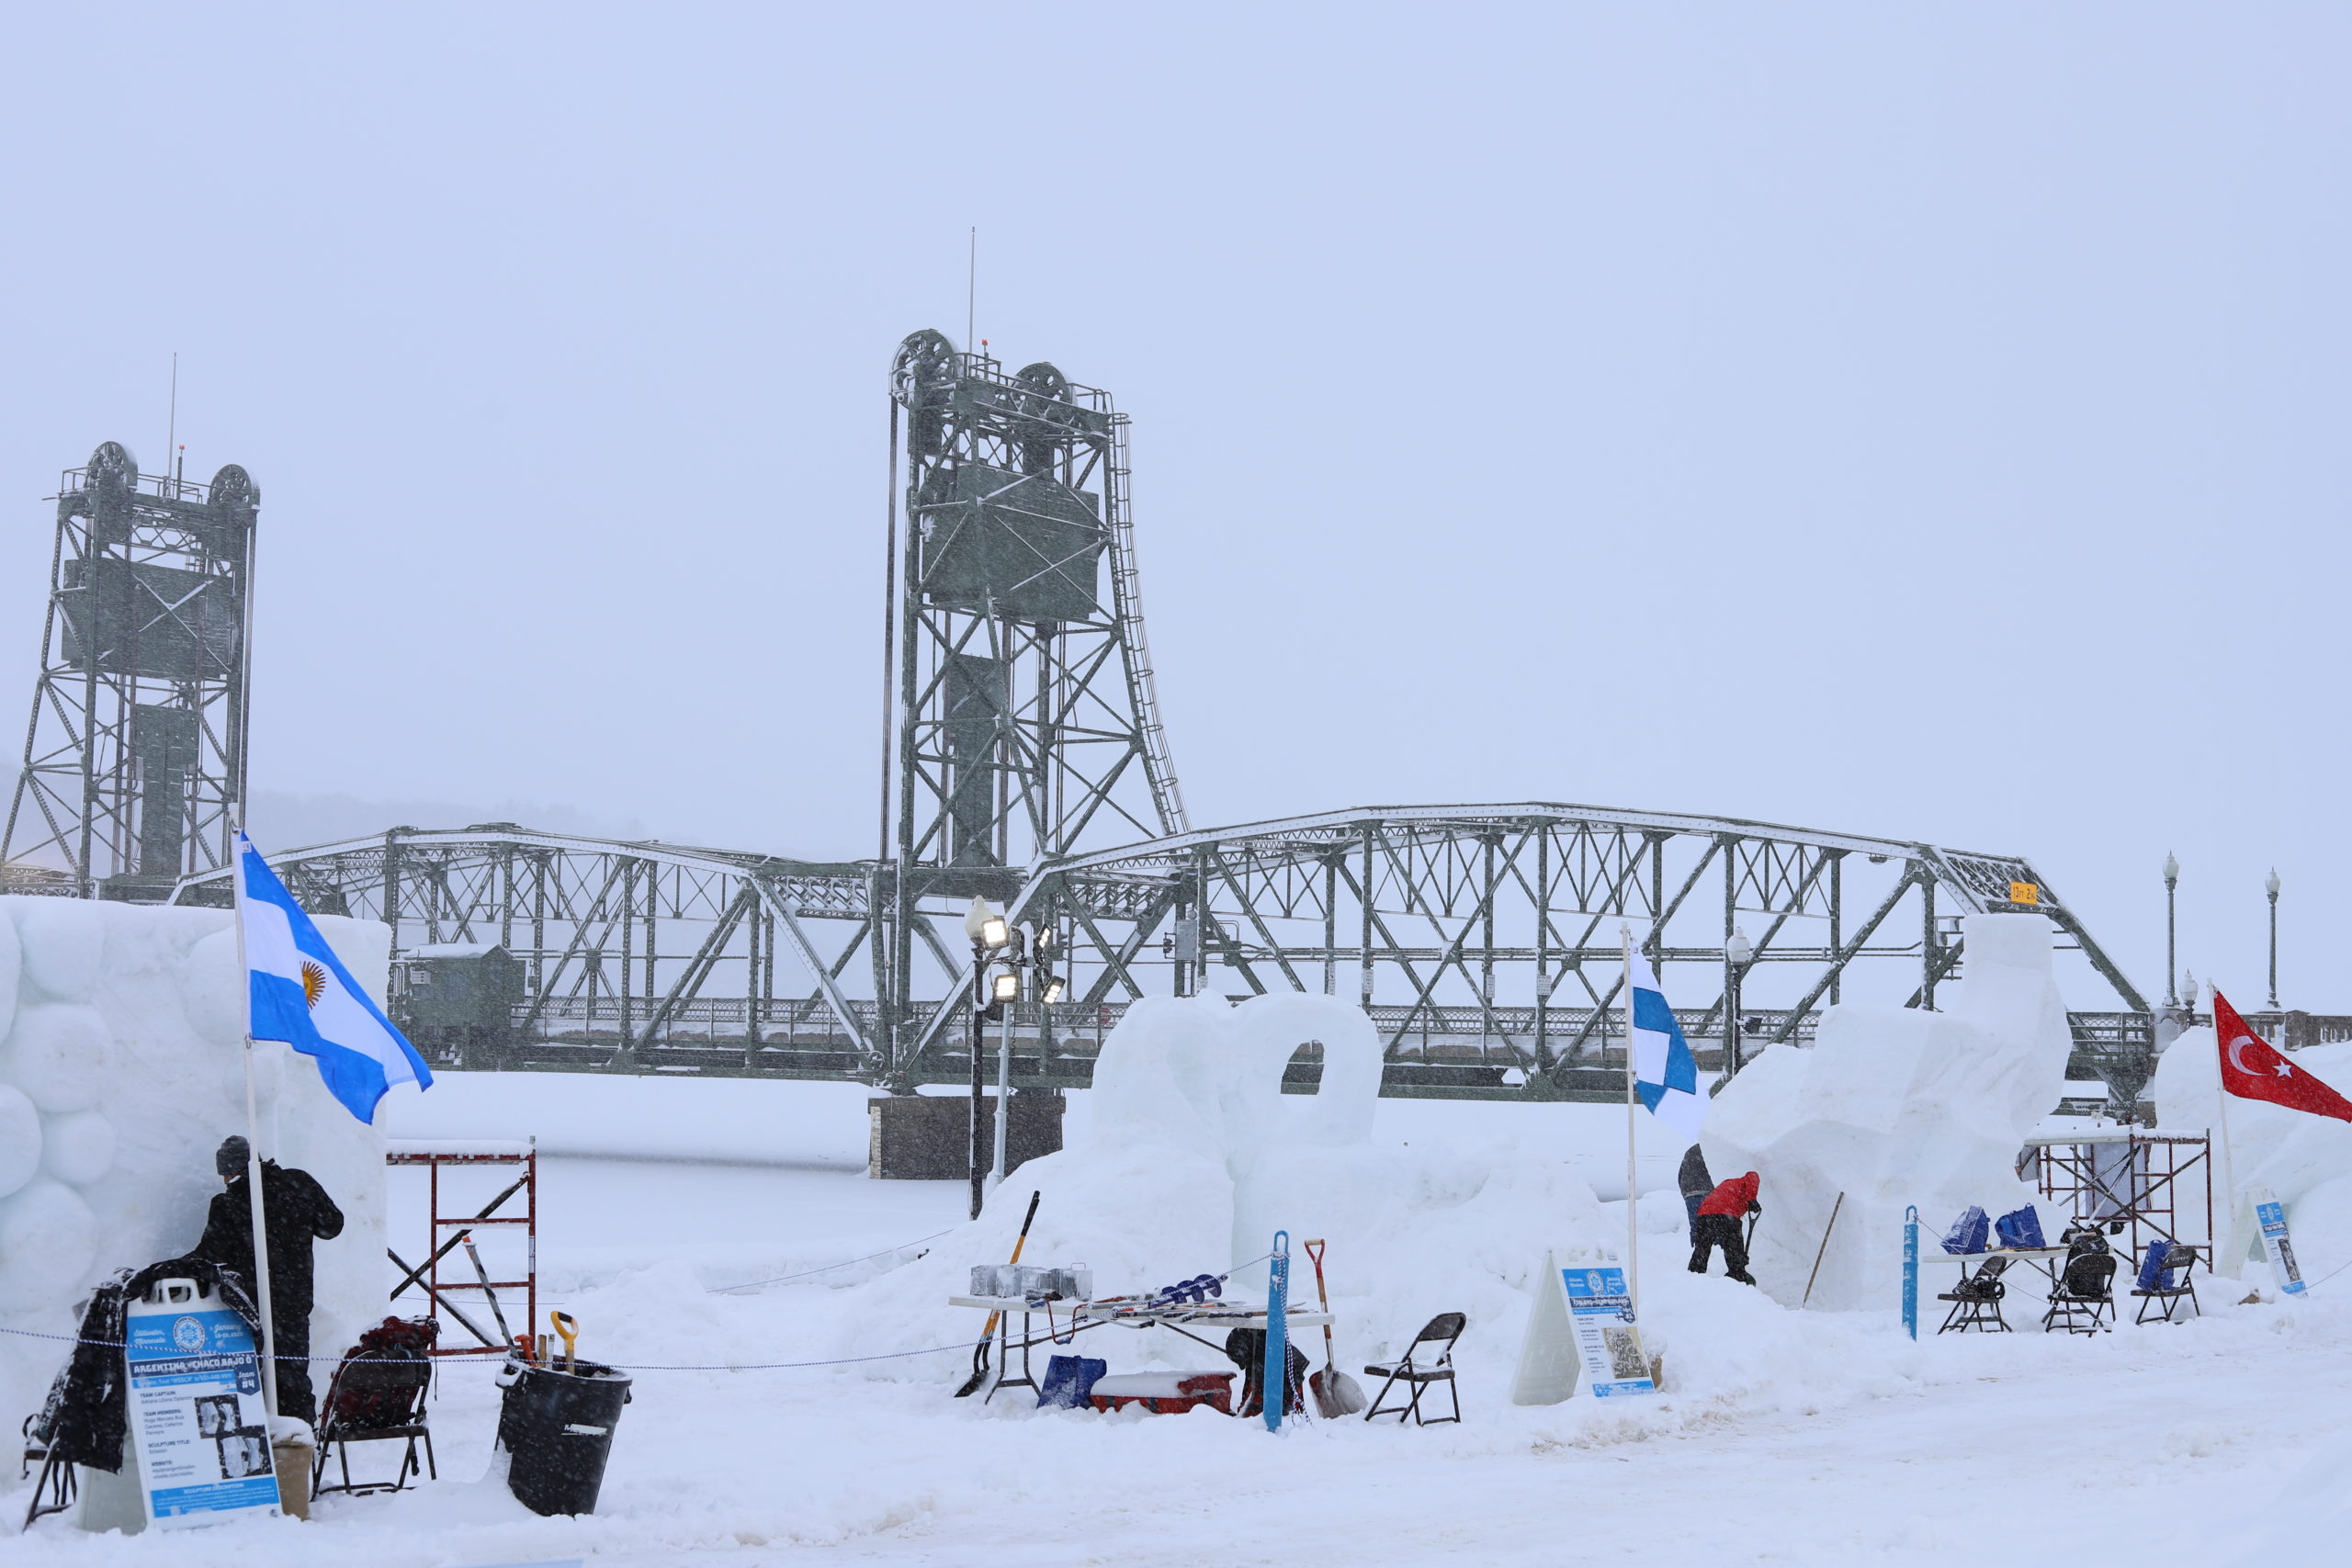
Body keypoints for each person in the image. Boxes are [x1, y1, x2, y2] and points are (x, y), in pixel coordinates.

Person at [190, 1135, 345, 1424]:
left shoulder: (229, 1203)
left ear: (233, 1171)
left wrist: (166, 1270)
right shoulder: (298, 1183)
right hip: (295, 1302)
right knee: (293, 1375)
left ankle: (269, 1440)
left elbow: (210, 1255)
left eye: (224, 1174)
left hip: (253, 1306)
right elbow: (331, 1226)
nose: (224, 1181)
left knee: (254, 1379)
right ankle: (301, 1440)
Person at [1690, 1169, 1760, 1284]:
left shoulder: (1727, 1186)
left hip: (1704, 1214)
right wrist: (1752, 1199)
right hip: (1726, 1214)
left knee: (1702, 1247)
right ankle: (1737, 1276)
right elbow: (1752, 1175)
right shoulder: (1744, 1181)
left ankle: (1694, 1275)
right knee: (1733, 1246)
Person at [1678, 1144, 1714, 1236]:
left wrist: (1685, 1193)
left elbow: (1680, 1175)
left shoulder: (1690, 1151)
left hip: (1689, 1194)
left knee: (1696, 1226)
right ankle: (1715, 1246)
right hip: (1707, 1192)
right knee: (1714, 1224)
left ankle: (1696, 1247)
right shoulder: (1711, 1149)